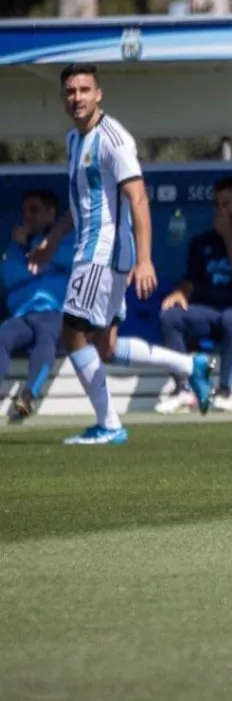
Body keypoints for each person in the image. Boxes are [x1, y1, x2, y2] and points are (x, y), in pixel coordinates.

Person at [28, 62, 215, 445]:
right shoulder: (73, 140)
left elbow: (138, 198)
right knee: (105, 346)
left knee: (72, 332)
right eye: (70, 91)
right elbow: (79, 204)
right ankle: (188, 364)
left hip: (104, 251)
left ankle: (110, 424)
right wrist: (52, 242)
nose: (76, 97)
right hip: (93, 249)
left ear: (99, 94)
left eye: (84, 90)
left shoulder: (114, 139)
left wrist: (145, 259)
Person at [155, 177, 232, 414]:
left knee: (230, 318)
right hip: (207, 311)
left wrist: (229, 237)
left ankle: (224, 391)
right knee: (170, 317)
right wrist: (179, 294)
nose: (221, 210)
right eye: (217, 205)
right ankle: (183, 389)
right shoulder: (201, 242)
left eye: (227, 204)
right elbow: (190, 280)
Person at [0, 189, 75, 417]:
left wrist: (44, 253)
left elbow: (72, 262)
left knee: (47, 337)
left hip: (54, 313)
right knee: (2, 335)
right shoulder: (15, 244)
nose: (28, 216)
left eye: (34, 210)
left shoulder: (67, 239)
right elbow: (8, 275)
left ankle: (28, 396)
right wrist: (24, 251)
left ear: (52, 214)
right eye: (25, 211)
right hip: (22, 315)